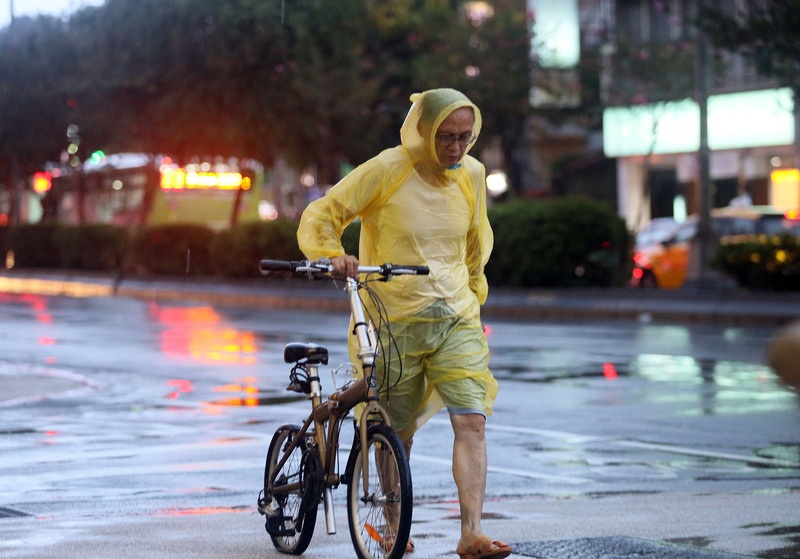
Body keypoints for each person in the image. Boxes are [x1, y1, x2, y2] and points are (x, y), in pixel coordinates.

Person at [297, 88, 511, 559]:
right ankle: (393, 528)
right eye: (446, 137)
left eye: (464, 138)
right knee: (397, 430)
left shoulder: (471, 175)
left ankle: (471, 533)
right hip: (394, 319)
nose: (456, 149)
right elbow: (324, 213)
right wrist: (333, 255)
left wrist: (474, 293)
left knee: (472, 420)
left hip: (455, 315)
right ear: (423, 131)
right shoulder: (388, 169)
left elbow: (475, 243)